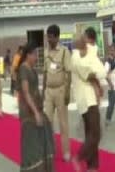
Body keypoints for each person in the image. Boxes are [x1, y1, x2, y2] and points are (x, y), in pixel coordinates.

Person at [71, 34, 107, 172]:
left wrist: (98, 84)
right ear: (80, 43)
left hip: (89, 97)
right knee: (96, 133)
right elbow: (91, 74)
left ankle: (92, 166)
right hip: (87, 100)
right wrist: (99, 78)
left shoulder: (86, 55)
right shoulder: (75, 59)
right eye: (84, 41)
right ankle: (79, 157)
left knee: (90, 132)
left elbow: (96, 71)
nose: (87, 43)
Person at [19, 43, 55, 172]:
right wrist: (35, 112)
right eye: (34, 55)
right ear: (28, 55)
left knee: (46, 137)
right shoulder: (23, 69)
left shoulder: (32, 70)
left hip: (37, 110)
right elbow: (26, 92)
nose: (36, 57)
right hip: (29, 114)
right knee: (33, 146)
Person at [43, 24, 71, 162]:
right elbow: (45, 72)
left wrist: (67, 93)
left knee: (63, 123)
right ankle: (50, 150)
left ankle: (66, 152)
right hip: (49, 91)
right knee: (47, 122)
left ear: (57, 37)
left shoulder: (65, 51)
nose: (48, 40)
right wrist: (43, 91)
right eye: (47, 37)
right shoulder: (46, 52)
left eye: (51, 37)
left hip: (60, 90)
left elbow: (69, 72)